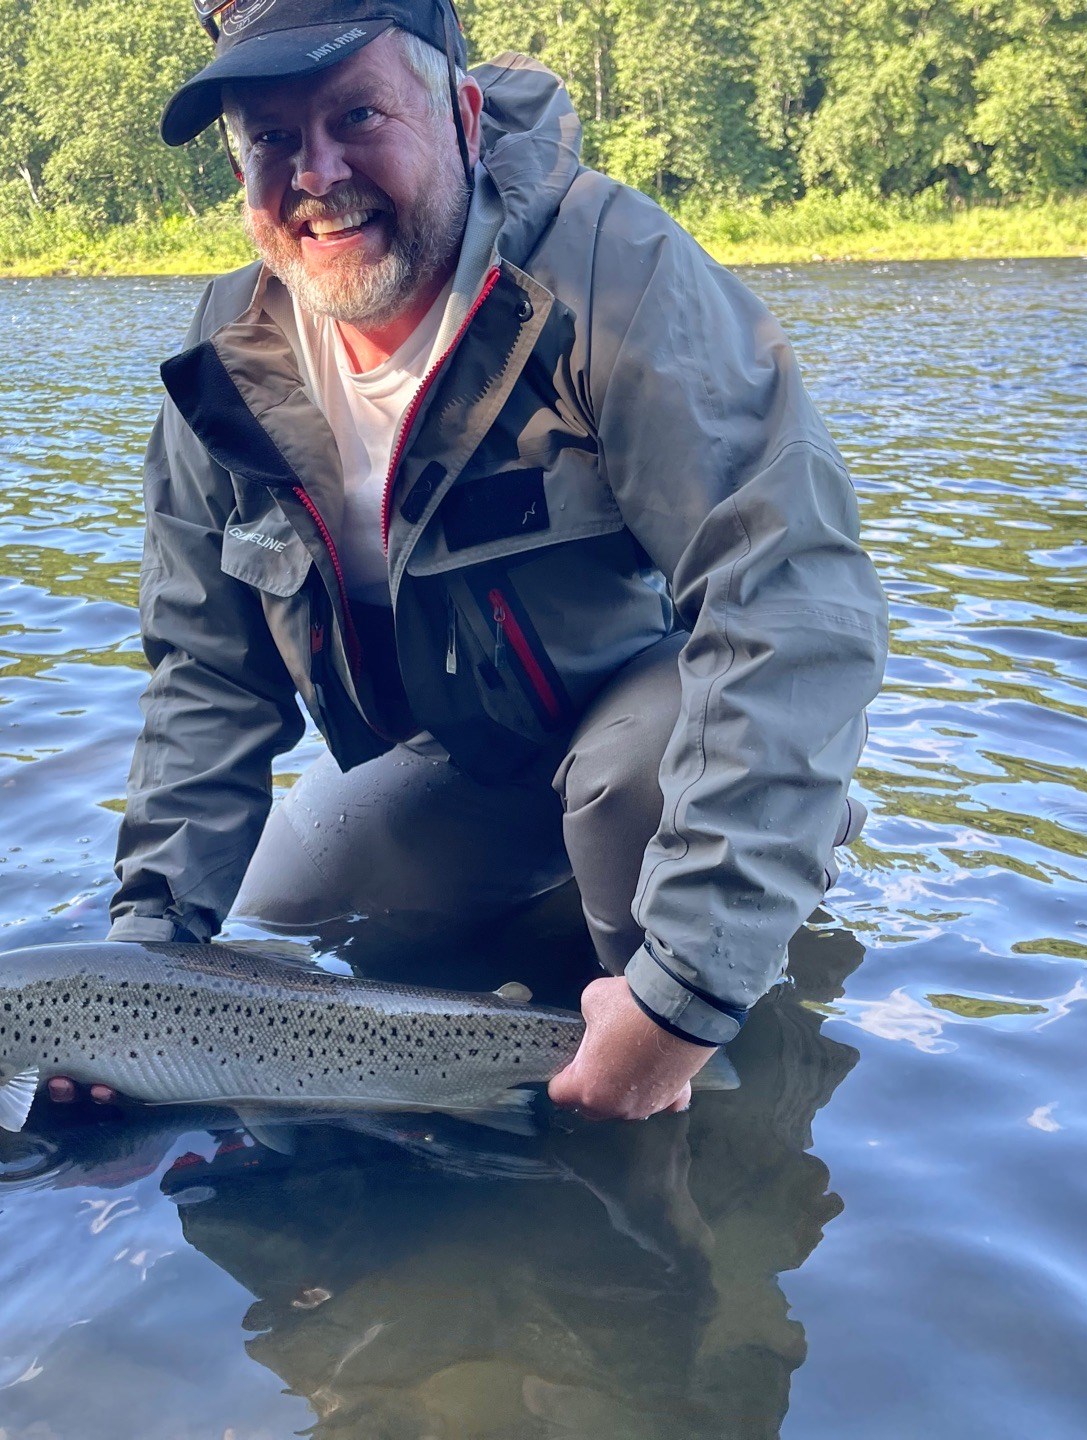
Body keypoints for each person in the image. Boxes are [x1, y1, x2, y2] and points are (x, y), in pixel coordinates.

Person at [73, 0, 888, 1122]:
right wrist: (146, 953)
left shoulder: (615, 276)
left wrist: (681, 1001)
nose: (316, 173)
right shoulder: (229, 361)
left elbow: (795, 601)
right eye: (270, 139)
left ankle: (716, 1040)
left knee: (627, 799)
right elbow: (206, 678)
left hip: (648, 720)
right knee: (289, 912)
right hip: (467, 753)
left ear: (459, 112)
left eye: (357, 114)